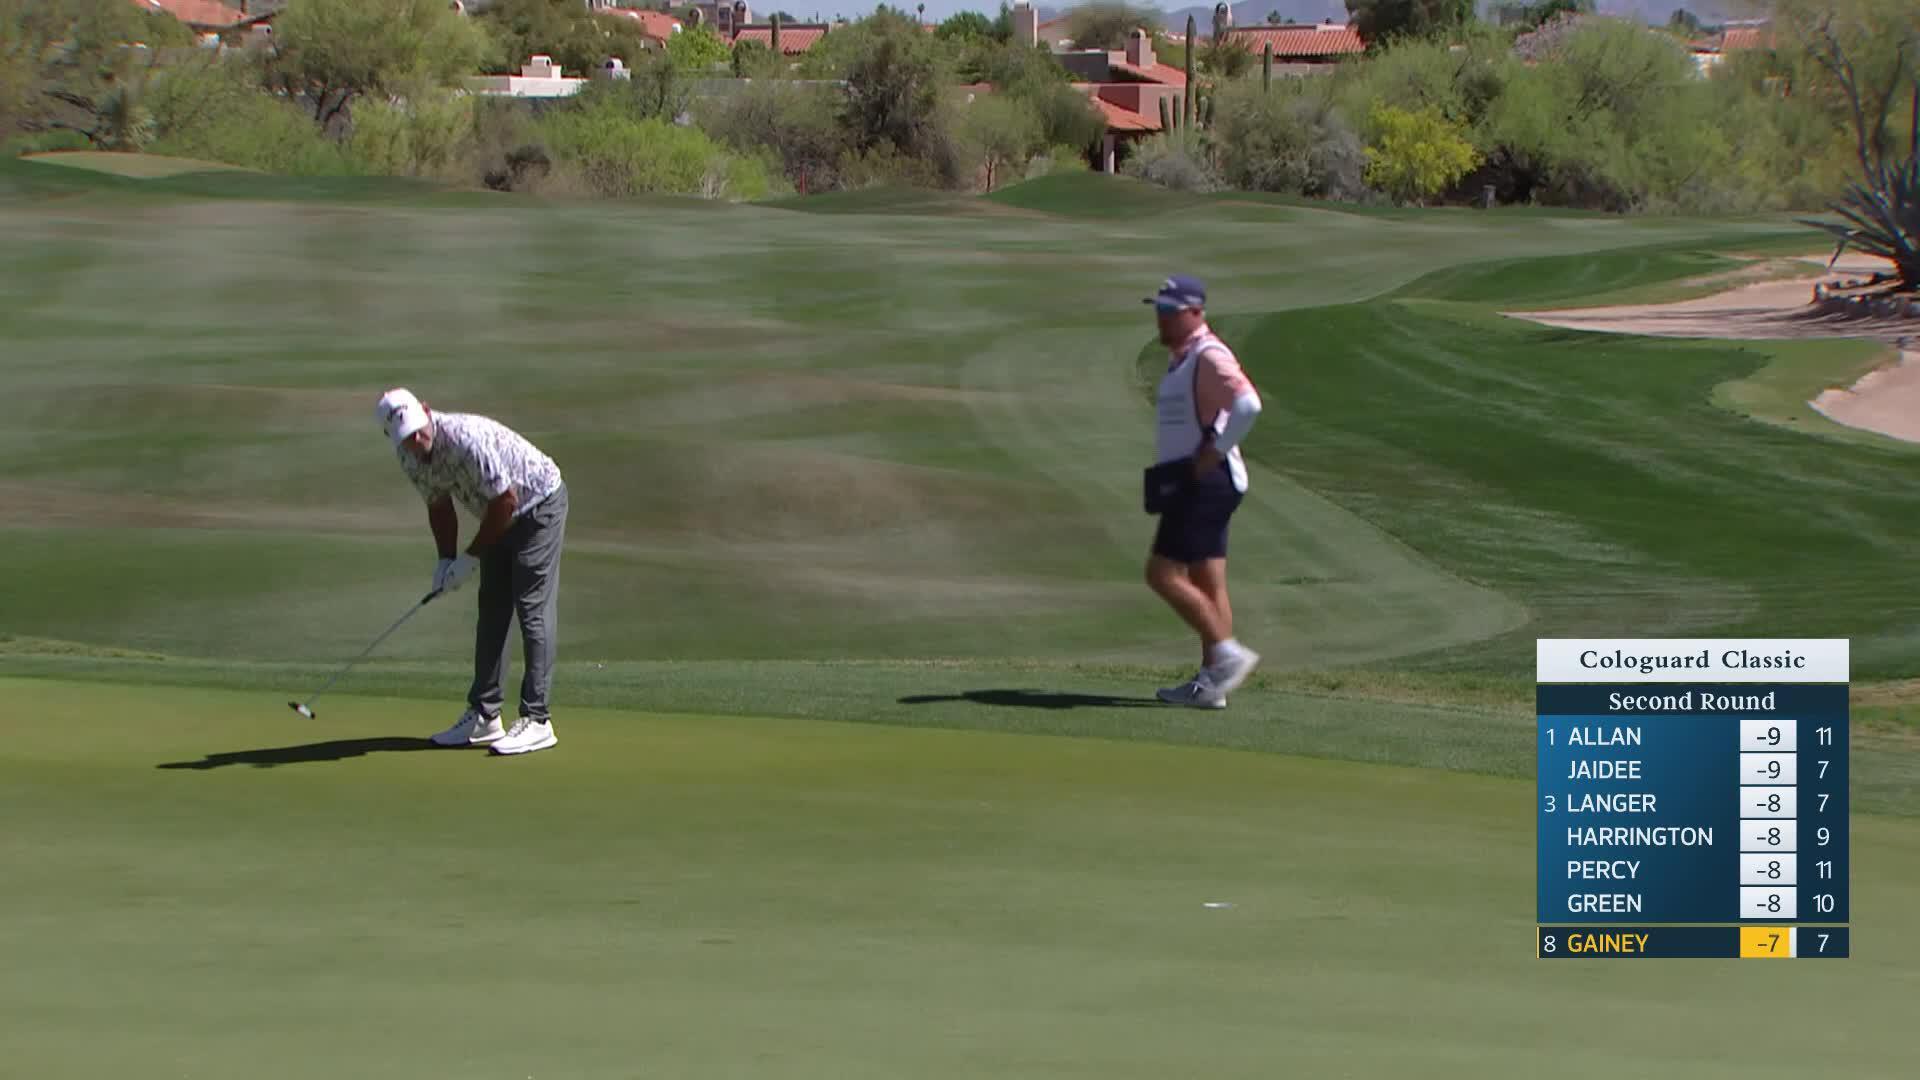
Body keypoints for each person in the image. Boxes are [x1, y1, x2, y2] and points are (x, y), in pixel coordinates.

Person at [375, 388, 569, 755]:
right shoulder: (409, 457)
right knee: (493, 608)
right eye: (406, 437)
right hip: (496, 514)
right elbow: (439, 505)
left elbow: (507, 501)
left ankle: (537, 719)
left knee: (531, 607)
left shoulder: (465, 439)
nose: (417, 441)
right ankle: (484, 716)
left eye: (418, 430)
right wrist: (445, 560)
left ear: (428, 412)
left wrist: (471, 557)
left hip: (538, 504)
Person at [1142, 276, 1263, 709]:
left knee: (1161, 574)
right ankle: (1212, 688)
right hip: (1193, 479)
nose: (1160, 318)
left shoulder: (1209, 355)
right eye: (1158, 310)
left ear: (1194, 312)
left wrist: (1216, 451)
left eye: (1169, 312)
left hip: (1204, 481)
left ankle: (1226, 657)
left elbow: (1249, 405)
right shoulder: (1184, 358)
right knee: (1207, 583)